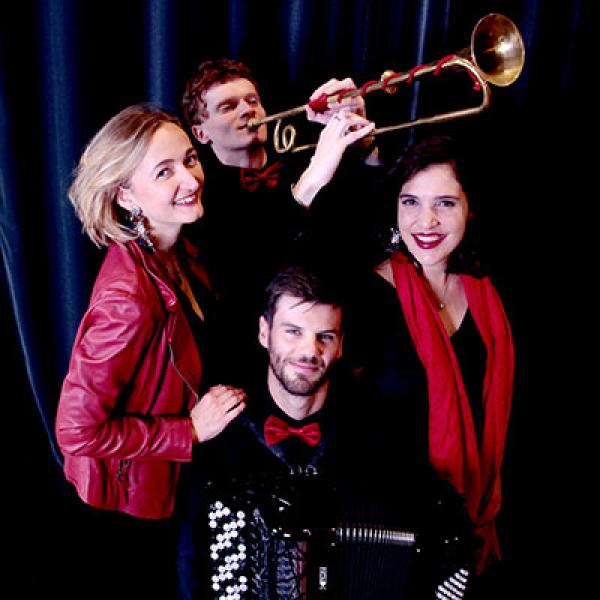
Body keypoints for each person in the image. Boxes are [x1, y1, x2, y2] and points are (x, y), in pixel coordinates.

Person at [176, 265, 475, 600]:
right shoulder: (224, 433)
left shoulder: (378, 433)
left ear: (340, 345)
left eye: (325, 337)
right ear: (264, 333)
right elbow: (190, 563)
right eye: (293, 332)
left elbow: (443, 525)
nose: (309, 351)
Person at [55, 103, 246, 599]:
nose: (189, 178)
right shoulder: (128, 300)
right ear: (125, 194)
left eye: (189, 159)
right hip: (128, 516)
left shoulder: (174, 251)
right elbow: (75, 431)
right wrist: (190, 430)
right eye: (164, 172)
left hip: (171, 489)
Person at [348, 135, 515, 593]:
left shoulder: (486, 293)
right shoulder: (367, 296)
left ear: (470, 209)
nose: (426, 221)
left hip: (476, 526)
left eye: (445, 203)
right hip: (395, 540)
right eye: (411, 202)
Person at [180, 58, 383, 385]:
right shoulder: (200, 199)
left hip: (342, 351)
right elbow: (253, 274)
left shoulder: (303, 161)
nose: (247, 110)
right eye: (228, 107)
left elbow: (369, 225)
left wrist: (365, 145)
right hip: (259, 367)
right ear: (200, 133)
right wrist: (310, 183)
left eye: (252, 100)